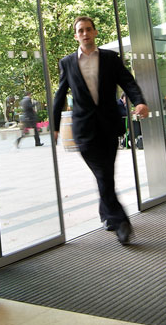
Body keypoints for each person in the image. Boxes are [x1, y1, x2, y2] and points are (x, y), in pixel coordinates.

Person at [52, 16, 149, 246]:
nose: (85, 33)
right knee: (103, 174)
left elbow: (128, 82)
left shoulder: (109, 58)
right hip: (84, 129)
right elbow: (59, 96)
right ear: (76, 36)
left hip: (108, 125)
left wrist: (139, 102)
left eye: (88, 29)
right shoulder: (67, 63)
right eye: (80, 31)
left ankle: (106, 214)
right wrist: (55, 126)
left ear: (95, 33)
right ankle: (121, 222)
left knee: (105, 174)